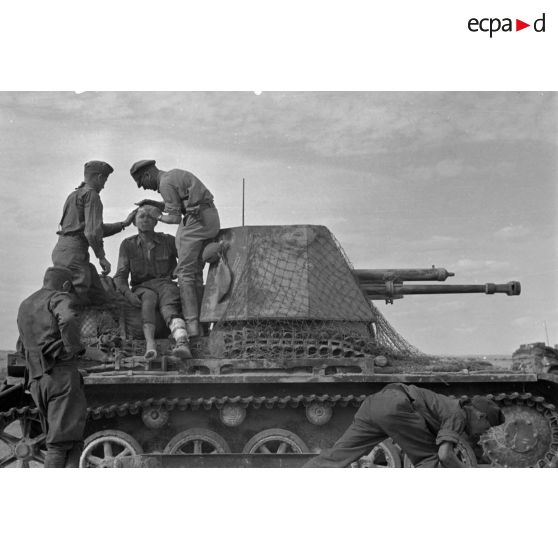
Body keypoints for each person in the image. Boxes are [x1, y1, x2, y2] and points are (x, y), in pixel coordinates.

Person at [304, 383, 505, 468]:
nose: (482, 434)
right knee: (430, 458)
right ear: (479, 415)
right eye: (486, 428)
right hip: (396, 405)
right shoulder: (458, 413)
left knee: (338, 455)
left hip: (374, 403)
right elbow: (445, 455)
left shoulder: (450, 406)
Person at [129, 160, 220, 338]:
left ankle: (192, 326)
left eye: (142, 182)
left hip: (196, 221)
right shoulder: (173, 176)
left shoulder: (164, 183)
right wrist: (155, 203)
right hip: (208, 218)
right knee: (195, 273)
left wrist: (159, 216)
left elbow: (175, 218)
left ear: (147, 175)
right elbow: (180, 204)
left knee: (185, 273)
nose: (143, 187)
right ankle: (201, 326)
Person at [16, 267, 88, 467]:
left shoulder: (26, 304)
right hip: (61, 377)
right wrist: (74, 349)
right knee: (59, 444)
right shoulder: (58, 298)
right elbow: (68, 318)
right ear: (65, 285)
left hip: (37, 379)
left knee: (71, 441)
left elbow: (21, 345)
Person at [52, 160, 137, 305]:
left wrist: (123, 224)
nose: (104, 185)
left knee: (98, 290)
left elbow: (93, 228)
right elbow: (92, 232)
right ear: (98, 177)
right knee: (78, 300)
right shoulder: (92, 196)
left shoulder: (73, 195)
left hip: (62, 250)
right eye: (105, 179)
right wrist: (102, 257)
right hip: (75, 254)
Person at [113, 205, 192, 360]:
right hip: (141, 287)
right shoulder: (127, 245)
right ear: (134, 222)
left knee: (169, 302)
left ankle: (182, 341)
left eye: (150, 216)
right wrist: (128, 294)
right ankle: (150, 344)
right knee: (148, 297)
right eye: (141, 216)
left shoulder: (168, 241)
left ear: (156, 221)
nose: (146, 220)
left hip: (165, 284)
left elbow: (187, 258)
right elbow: (120, 276)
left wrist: (179, 270)